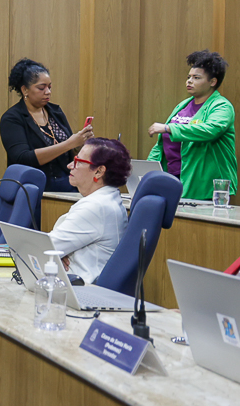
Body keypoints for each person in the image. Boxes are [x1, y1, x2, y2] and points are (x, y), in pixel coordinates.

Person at [147, 50, 237, 201]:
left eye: (196, 78)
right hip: (173, 180)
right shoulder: (183, 105)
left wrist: (169, 128)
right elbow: (163, 143)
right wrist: (148, 170)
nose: (189, 81)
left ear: (212, 82)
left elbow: (210, 130)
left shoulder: (222, 106)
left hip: (205, 186)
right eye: (189, 77)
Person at [0, 58, 94, 192]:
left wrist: (78, 145)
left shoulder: (55, 112)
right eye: (41, 88)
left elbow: (68, 153)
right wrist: (69, 144)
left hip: (67, 183)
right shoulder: (12, 118)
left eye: (49, 87)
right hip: (33, 188)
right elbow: (23, 158)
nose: (48, 92)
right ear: (25, 90)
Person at [48, 138, 131, 284]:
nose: (69, 165)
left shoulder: (96, 206)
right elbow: (51, 247)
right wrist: (57, 254)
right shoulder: (107, 199)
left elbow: (44, 249)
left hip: (77, 289)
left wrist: (54, 255)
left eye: (78, 161)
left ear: (99, 171)